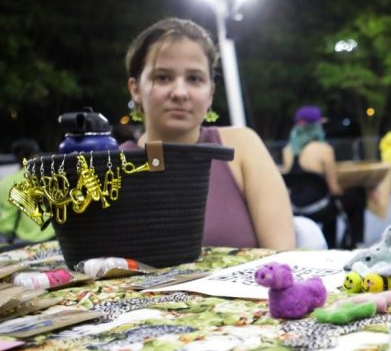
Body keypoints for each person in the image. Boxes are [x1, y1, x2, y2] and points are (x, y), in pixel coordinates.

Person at [123, 17, 295, 250]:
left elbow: (282, 259)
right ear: (135, 88)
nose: (180, 92)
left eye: (194, 79)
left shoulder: (241, 147)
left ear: (211, 92)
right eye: (163, 77)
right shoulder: (113, 165)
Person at [281, 106, 366, 248]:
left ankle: (334, 243)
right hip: (320, 208)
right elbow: (334, 189)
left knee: (330, 203)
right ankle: (352, 242)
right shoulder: (324, 149)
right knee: (357, 194)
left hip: (296, 208)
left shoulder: (287, 150)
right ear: (317, 126)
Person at [0, 139, 57, 245]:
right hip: (52, 235)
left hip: (23, 242)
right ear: (35, 155)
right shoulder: (45, 177)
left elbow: (7, 222)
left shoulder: (6, 182)